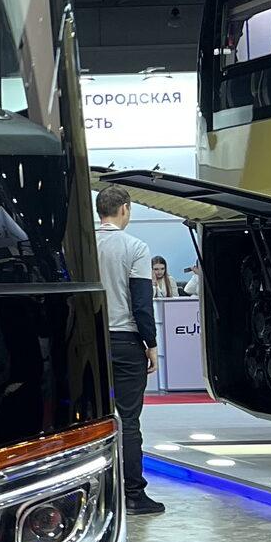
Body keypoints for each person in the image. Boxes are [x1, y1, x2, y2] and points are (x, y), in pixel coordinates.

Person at [95, 186, 164, 516]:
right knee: (129, 420)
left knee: (88, 422)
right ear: (124, 208)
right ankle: (133, 495)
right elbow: (141, 303)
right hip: (125, 342)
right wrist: (151, 345)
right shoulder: (135, 247)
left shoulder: (80, 245)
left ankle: (95, 496)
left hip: (87, 342)